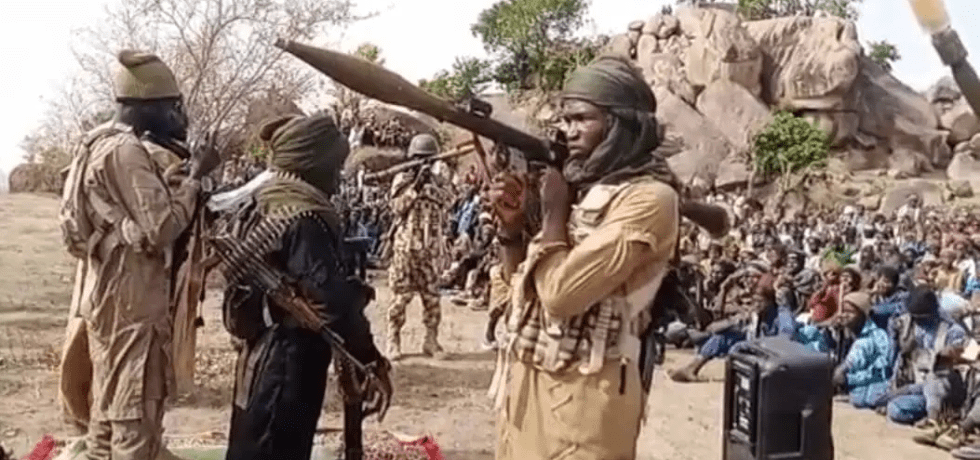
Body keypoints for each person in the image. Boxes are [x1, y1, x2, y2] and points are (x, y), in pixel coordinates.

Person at [487, 54, 725, 460]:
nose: (569, 131)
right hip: (528, 386)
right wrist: (511, 231)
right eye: (565, 120)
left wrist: (554, 212)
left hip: (584, 402)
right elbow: (521, 297)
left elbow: (560, 297)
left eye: (583, 119)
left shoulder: (649, 200)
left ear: (620, 125)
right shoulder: (587, 191)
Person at [59, 50, 220, 460]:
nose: (177, 117)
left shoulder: (96, 144)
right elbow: (160, 228)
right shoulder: (124, 151)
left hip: (111, 295)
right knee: (135, 421)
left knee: (108, 416)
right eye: (171, 108)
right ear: (147, 107)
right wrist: (195, 179)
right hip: (134, 300)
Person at [221, 113, 392, 460]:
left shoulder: (268, 203)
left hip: (264, 351)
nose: (338, 179)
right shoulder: (304, 217)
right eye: (334, 168)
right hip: (287, 359)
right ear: (311, 165)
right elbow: (330, 303)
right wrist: (370, 358)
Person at [386, 133, 448, 360]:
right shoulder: (401, 179)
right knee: (400, 298)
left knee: (432, 299)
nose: (424, 162)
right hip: (406, 249)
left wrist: (430, 184)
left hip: (430, 249)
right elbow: (396, 208)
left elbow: (448, 201)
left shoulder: (440, 180)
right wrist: (415, 186)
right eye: (420, 158)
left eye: (428, 158)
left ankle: (431, 340)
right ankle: (393, 339)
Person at [833, 292, 894, 410]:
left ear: (862, 315)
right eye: (843, 311)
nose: (844, 316)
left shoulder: (877, 336)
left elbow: (883, 371)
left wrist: (848, 378)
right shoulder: (844, 332)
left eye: (850, 312)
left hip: (875, 385)